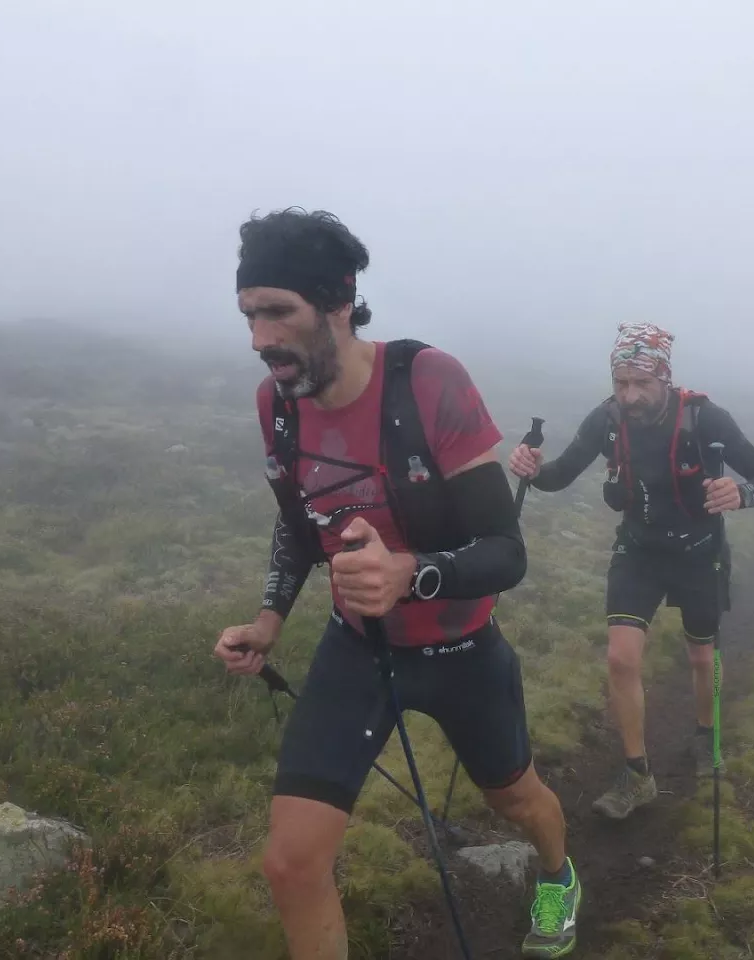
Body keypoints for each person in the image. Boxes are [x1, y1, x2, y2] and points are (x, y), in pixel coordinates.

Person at [214, 208, 581, 959]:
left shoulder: (427, 382)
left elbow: (505, 553)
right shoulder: (276, 405)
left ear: (339, 302)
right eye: (249, 315)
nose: (259, 339)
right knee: (291, 863)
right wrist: (268, 622)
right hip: (358, 648)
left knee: (515, 799)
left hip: (460, 647)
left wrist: (409, 573)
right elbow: (300, 523)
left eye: (278, 312)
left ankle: (557, 875)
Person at [508, 321, 754, 820]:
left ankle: (706, 734)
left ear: (665, 378)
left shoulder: (705, 418)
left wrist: (740, 494)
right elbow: (559, 475)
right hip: (638, 551)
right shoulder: (607, 419)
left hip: (699, 552)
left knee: (701, 656)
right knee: (620, 658)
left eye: (641, 383)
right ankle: (637, 775)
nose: (630, 395)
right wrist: (533, 470)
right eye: (621, 383)